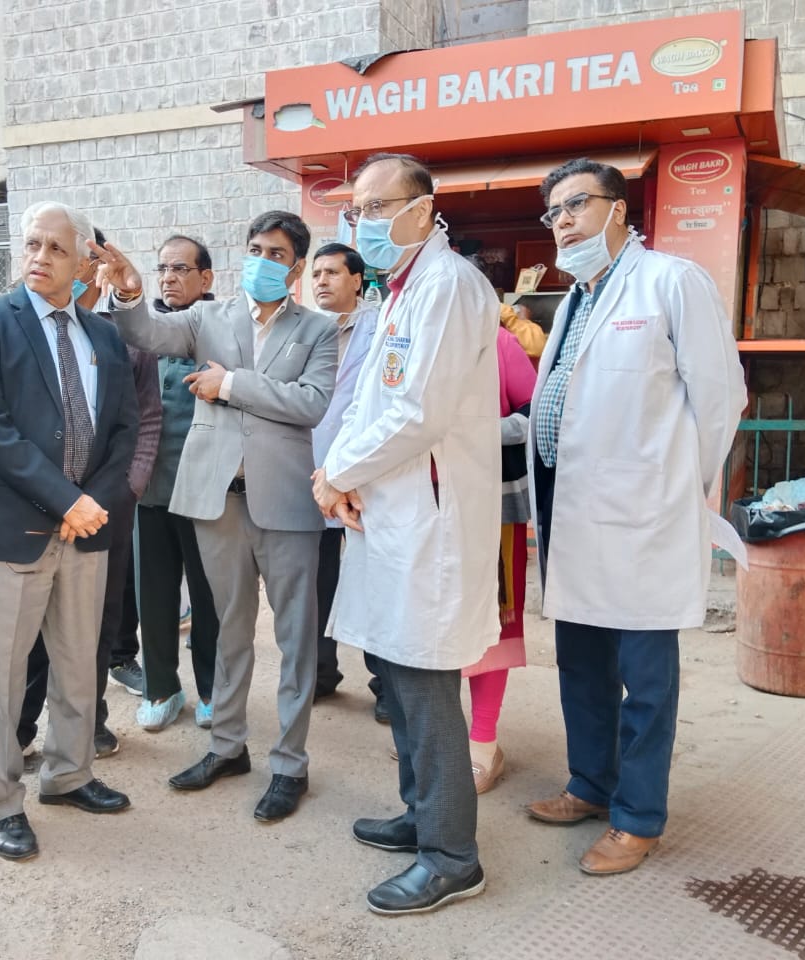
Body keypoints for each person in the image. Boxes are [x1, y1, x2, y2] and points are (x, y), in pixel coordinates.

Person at [525, 157, 746, 875]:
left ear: (619, 209)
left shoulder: (671, 282)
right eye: (553, 212)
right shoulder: (575, 299)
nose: (562, 222)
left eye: (576, 205)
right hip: (572, 508)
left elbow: (720, 397)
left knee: (645, 678)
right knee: (581, 661)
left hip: (645, 513)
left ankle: (638, 817)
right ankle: (591, 784)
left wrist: (678, 485)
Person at [95, 211, 337, 824]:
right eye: (255, 249)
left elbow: (310, 404)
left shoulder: (318, 329)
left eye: (276, 253)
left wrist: (230, 385)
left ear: (296, 267)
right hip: (217, 499)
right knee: (228, 627)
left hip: (284, 502)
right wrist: (128, 292)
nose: (263, 261)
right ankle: (227, 747)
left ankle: (290, 764)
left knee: (295, 638)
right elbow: (148, 333)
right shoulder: (209, 318)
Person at [313, 152, 499, 915]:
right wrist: (338, 474)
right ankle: (423, 814)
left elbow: (419, 411)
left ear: (423, 209)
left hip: (429, 522)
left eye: (375, 206)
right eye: (355, 209)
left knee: (423, 685)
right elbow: (370, 402)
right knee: (394, 670)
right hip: (388, 513)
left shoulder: (447, 286)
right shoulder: (401, 289)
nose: (361, 222)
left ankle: (452, 856)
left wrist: (337, 472)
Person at [0, 201, 138, 862]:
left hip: (85, 528)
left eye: (55, 248)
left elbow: (123, 430)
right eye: (31, 244)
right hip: (5, 529)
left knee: (79, 664)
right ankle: (0, 801)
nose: (39, 257)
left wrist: (91, 503)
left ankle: (69, 775)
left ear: (83, 262)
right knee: (1, 677)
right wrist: (66, 500)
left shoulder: (104, 336)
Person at [15, 226, 161, 760]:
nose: (66, 265)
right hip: (35, 501)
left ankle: (87, 723)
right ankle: (20, 729)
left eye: (77, 255)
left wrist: (125, 490)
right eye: (46, 248)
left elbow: (146, 419)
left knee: (97, 620)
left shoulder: (122, 336)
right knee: (30, 626)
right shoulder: (19, 326)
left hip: (105, 505)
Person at [134, 235, 221, 732]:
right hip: (150, 489)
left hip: (206, 492)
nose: (168, 277)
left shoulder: (223, 329)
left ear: (205, 278)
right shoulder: (143, 331)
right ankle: (161, 689)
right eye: (163, 268)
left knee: (209, 598)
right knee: (154, 596)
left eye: (180, 269)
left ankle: (211, 689)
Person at [308, 242, 382, 714]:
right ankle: (320, 673)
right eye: (316, 274)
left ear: (357, 280)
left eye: (332, 272)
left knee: (374, 580)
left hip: (366, 475)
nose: (321, 281)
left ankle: (386, 684)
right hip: (313, 472)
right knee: (317, 582)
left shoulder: (381, 325)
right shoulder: (305, 328)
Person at [465, 326, 537, 794]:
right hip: (421, 503)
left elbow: (536, 413)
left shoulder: (498, 343)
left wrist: (477, 433)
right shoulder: (409, 331)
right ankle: (439, 732)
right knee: (430, 624)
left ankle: (482, 742)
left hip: (491, 503)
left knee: (494, 618)